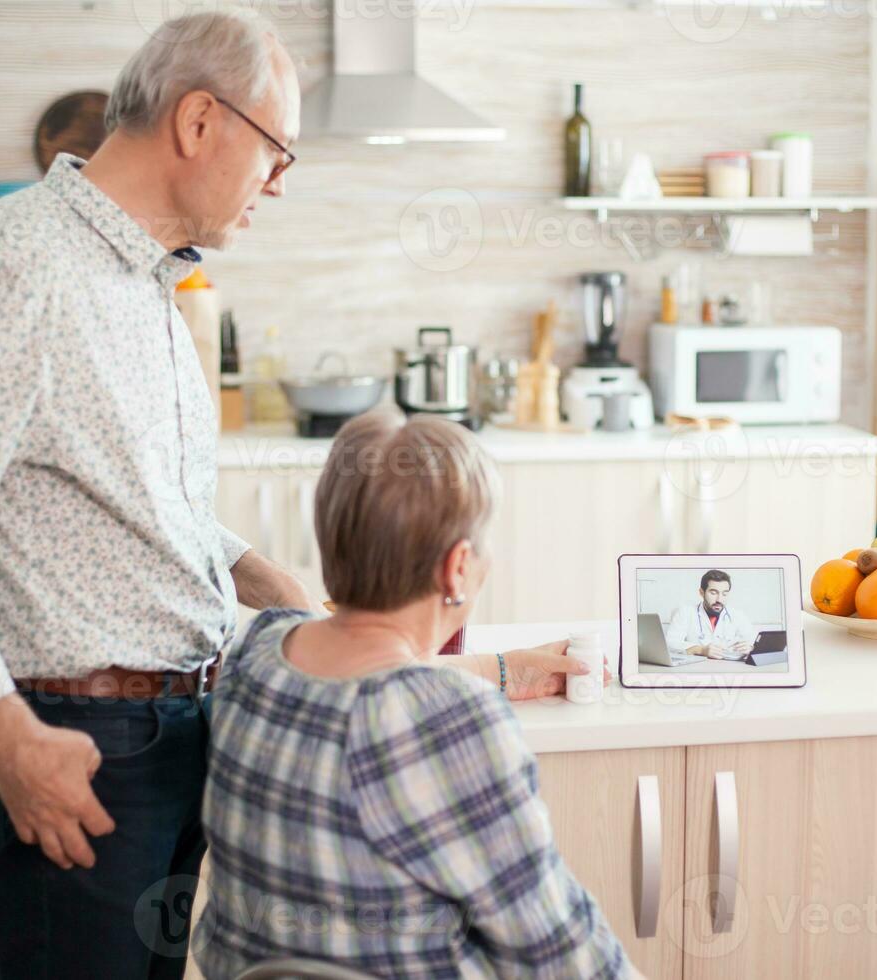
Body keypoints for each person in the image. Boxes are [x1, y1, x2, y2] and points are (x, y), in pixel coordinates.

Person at [0, 13, 583, 979]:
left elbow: (116, 485)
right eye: (278, 152)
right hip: (81, 747)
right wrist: (11, 744)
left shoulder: (144, 277)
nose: (279, 182)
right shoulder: (25, 269)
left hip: (174, 736)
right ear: (197, 122)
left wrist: (250, 566)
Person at [196, 412, 636, 980]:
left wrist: (499, 669)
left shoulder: (256, 654)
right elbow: (565, 955)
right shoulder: (453, 722)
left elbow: (361, 675)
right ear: (457, 568)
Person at [664, 569, 756, 659]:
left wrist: (751, 648)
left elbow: (753, 641)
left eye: (724, 594)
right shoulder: (685, 612)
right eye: (713, 593)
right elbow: (670, 644)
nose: (719, 600)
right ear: (701, 592)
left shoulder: (738, 615)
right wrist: (700, 650)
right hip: (696, 668)